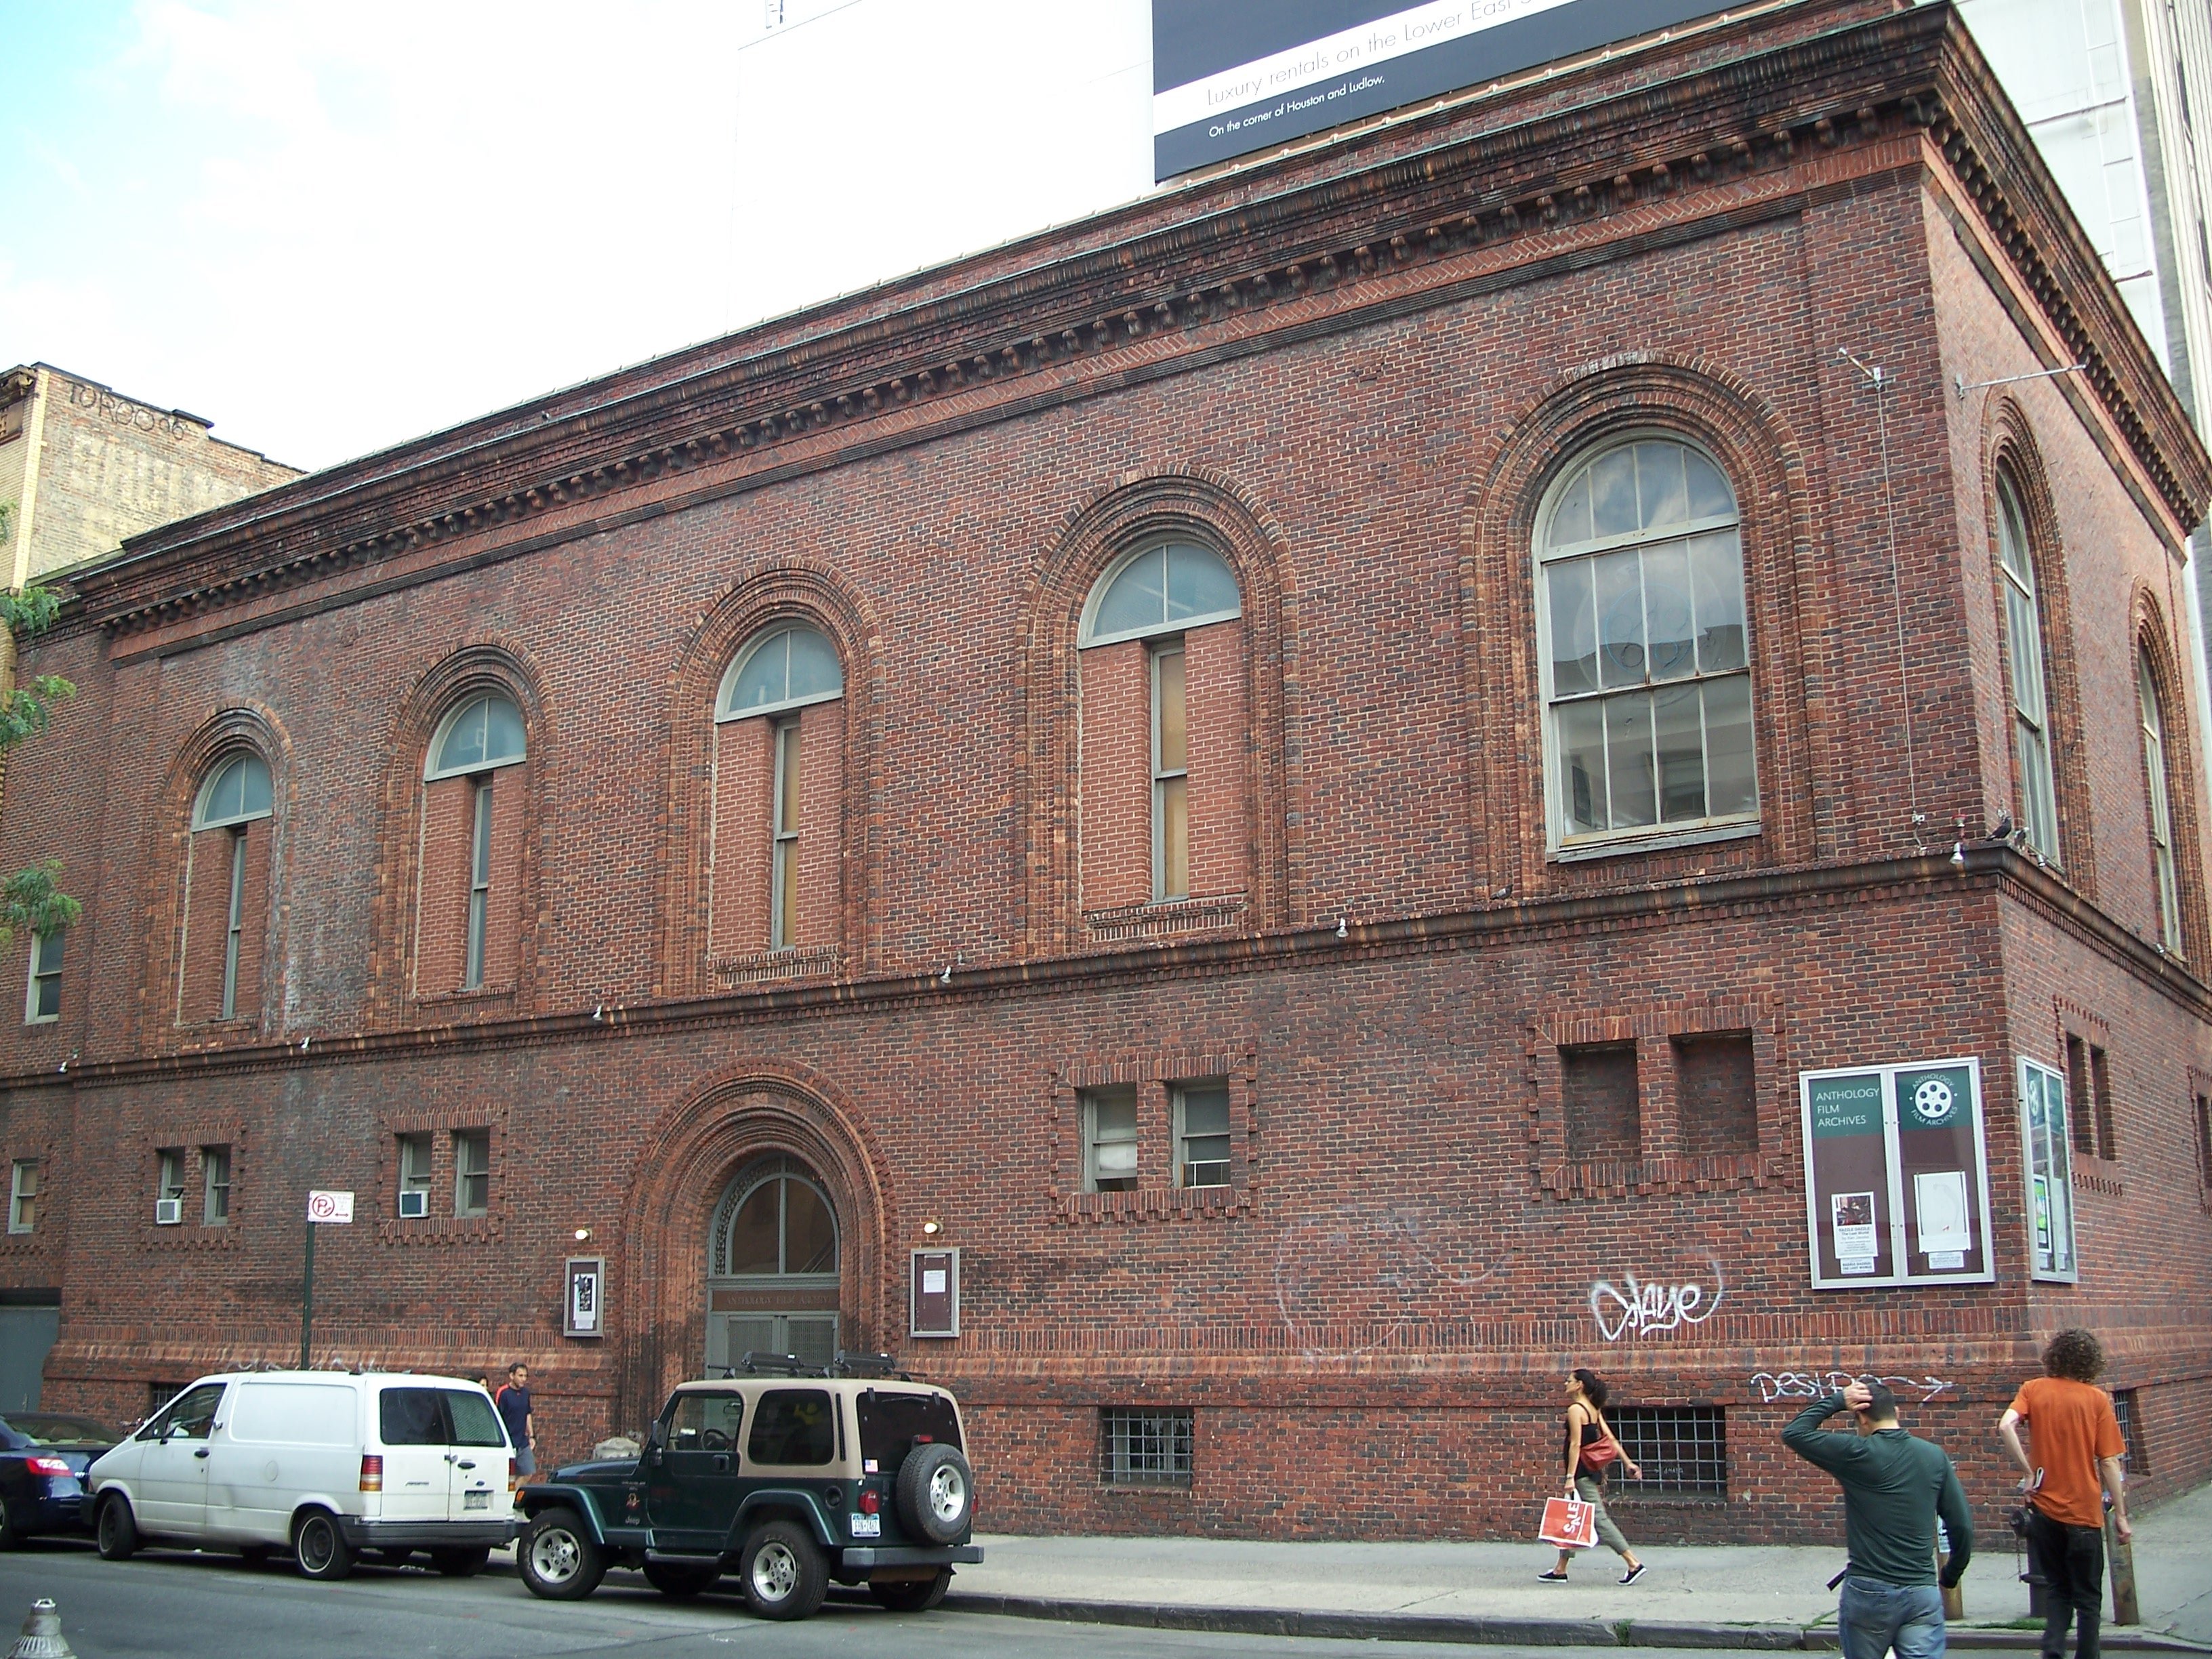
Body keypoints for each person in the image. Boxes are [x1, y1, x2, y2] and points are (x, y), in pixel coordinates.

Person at [1784, 1380, 1973, 1659]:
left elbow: (1794, 1433)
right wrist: (1950, 1575)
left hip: (1868, 1591)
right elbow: (1962, 1527)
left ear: (1861, 1416)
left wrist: (1837, 1400)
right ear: (1895, 1411)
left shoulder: (1856, 1453)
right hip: (1920, 1591)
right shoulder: (1934, 1457)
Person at [1999, 1330, 2130, 1659]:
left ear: (2054, 1357)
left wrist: (2028, 1472)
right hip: (2085, 1512)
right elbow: (2110, 1462)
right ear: (2090, 1362)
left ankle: (2053, 1651)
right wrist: (2122, 1515)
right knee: (2088, 1599)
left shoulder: (2033, 1389)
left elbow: (2005, 1426)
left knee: (2058, 1589)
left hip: (2045, 1510)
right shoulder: (2096, 1399)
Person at [1538, 1367, 1647, 1584]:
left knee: (1599, 1518)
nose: (1565, 1384)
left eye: (1569, 1381)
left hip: (1580, 1472)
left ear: (1580, 1385)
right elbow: (1611, 1439)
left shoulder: (1575, 1409)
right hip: (1590, 1470)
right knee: (1572, 1515)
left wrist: (1570, 1476)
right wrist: (1628, 1463)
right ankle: (1560, 1569)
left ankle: (1633, 1563)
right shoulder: (1593, 1409)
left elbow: (1576, 1444)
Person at [495, 1361, 535, 1481]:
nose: (523, 1379)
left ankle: (514, 1496)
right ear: (512, 1376)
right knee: (509, 1477)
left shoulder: (526, 1393)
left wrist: (531, 1435)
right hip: (509, 1441)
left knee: (528, 1472)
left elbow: (528, 1414)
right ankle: (510, 1497)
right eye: (520, 1376)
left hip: (522, 1441)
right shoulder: (504, 1393)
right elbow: (498, 1417)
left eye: (525, 1376)